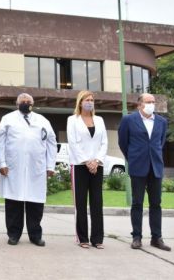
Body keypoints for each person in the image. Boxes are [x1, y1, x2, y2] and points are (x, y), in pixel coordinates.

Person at [0, 93, 56, 247]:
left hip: (36, 168)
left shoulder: (43, 120)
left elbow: (51, 143)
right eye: (22, 101)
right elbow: (0, 142)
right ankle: (13, 235)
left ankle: (35, 235)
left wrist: (50, 166)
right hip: (12, 168)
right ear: (17, 104)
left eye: (28, 101)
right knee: (13, 203)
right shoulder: (7, 119)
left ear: (33, 104)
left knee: (35, 204)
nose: (25, 103)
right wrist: (1, 163)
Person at [118, 93, 171, 251]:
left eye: (153, 102)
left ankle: (156, 238)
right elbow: (123, 142)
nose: (152, 104)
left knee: (156, 204)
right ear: (140, 104)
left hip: (155, 167)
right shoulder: (128, 120)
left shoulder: (162, 122)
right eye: (148, 102)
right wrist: (133, 158)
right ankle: (137, 237)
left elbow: (160, 143)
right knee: (137, 203)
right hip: (138, 166)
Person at [67, 90, 107, 249]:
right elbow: (73, 143)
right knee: (81, 203)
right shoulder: (72, 120)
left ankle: (97, 239)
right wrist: (87, 161)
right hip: (79, 166)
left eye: (92, 100)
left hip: (98, 166)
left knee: (97, 203)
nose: (90, 102)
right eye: (87, 100)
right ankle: (82, 238)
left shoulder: (100, 120)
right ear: (80, 102)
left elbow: (104, 143)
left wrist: (96, 161)